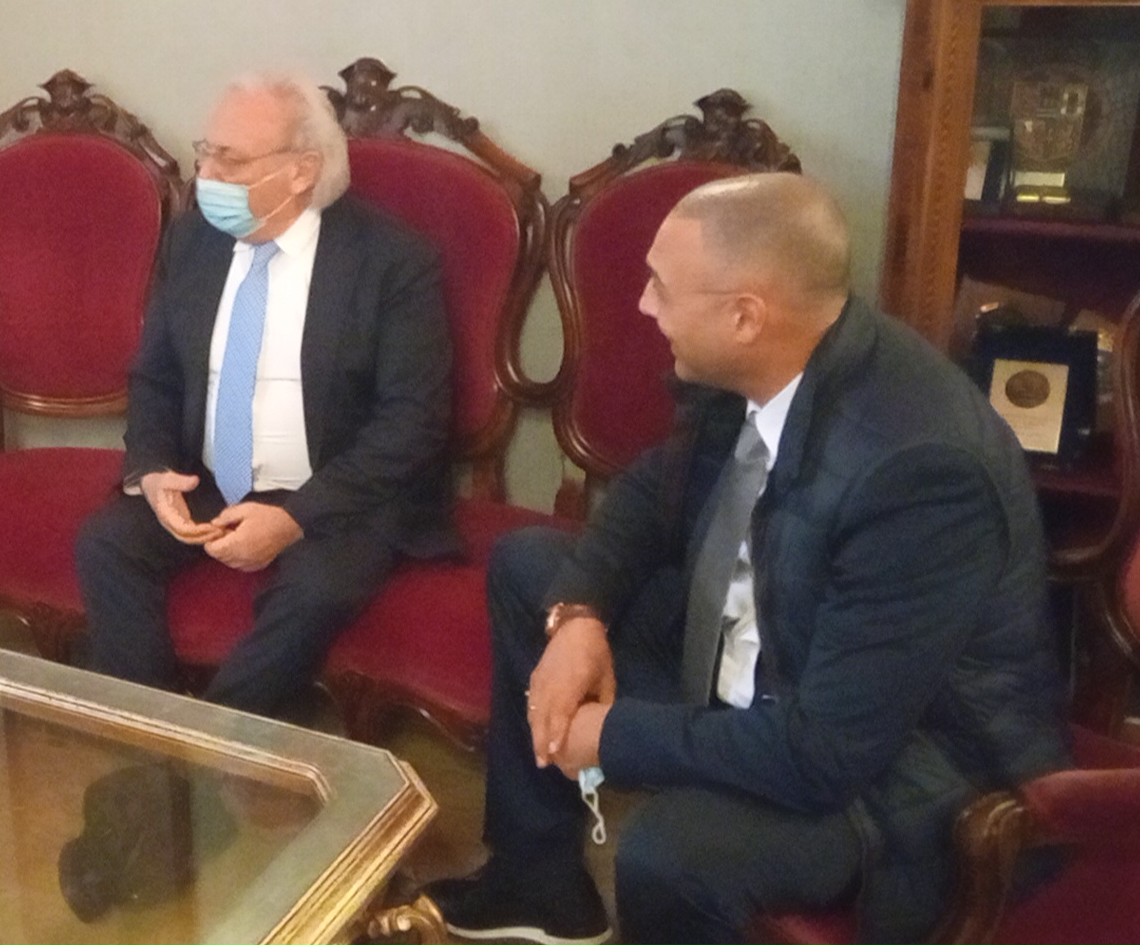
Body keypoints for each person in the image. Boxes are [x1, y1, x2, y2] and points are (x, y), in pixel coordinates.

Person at [426, 173, 1070, 945]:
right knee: (531, 566)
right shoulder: (762, 362)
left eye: (662, 288)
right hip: (767, 656)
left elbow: (823, 753)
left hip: (901, 765)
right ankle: (539, 883)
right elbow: (648, 494)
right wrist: (579, 616)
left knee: (672, 854)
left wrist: (613, 736)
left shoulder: (921, 472)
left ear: (744, 316)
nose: (644, 305)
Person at [75, 73, 454, 718]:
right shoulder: (192, 241)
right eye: (205, 151)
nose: (206, 174)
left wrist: (295, 517)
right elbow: (156, 376)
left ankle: (217, 749)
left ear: (302, 170)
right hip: (208, 479)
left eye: (232, 159)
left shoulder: (391, 260)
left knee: (316, 590)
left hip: (337, 493)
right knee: (106, 544)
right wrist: (153, 471)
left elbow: (413, 422)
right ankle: (148, 734)